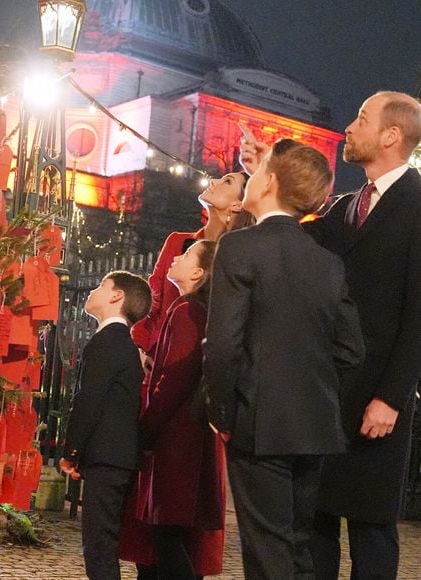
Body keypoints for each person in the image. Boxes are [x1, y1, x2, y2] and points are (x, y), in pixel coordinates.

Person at [240, 92, 421, 580]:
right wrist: (268, 179)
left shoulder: (417, 205)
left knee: (371, 527)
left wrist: (390, 397)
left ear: (390, 135)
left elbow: (418, 314)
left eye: (361, 118)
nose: (348, 126)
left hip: (377, 402)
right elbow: (293, 239)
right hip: (325, 394)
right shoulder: (346, 205)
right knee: (314, 521)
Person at [204, 139, 365, 579]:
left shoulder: (240, 247)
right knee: (297, 549)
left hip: (258, 422)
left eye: (257, 172)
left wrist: (222, 411)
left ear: (270, 181)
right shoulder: (327, 262)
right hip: (314, 424)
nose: (250, 178)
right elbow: (351, 350)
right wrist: (318, 393)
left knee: (267, 553)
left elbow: (222, 343)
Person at [120, 240, 227, 580]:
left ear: (198, 272)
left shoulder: (187, 311)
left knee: (167, 537)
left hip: (177, 441)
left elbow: (175, 376)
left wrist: (147, 426)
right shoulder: (190, 309)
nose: (175, 258)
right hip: (185, 438)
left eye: (186, 255)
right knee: (168, 539)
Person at [59, 271, 152, 580]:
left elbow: (88, 400)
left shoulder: (108, 342)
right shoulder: (122, 343)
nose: (93, 291)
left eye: (101, 285)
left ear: (116, 296)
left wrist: (71, 450)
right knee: (103, 542)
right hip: (117, 457)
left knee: (99, 545)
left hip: (108, 457)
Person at [131, 171, 254, 367]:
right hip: (156, 359)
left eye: (227, 182)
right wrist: (139, 347)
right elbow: (153, 300)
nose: (213, 181)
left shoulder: (238, 257)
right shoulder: (178, 242)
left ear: (238, 204)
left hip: (203, 365)